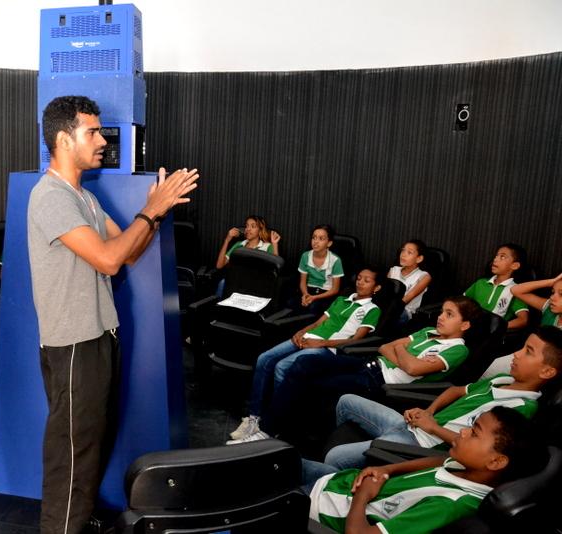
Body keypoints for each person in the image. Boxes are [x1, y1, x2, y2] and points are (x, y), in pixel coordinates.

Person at [28, 95, 198, 534]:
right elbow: (107, 259)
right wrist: (151, 209)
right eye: (92, 132)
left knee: (92, 444)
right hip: (72, 343)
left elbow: (128, 251)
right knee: (71, 453)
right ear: (64, 140)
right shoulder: (50, 197)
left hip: (100, 334)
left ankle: (77, 520)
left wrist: (156, 214)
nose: (103, 140)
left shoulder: (83, 196)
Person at [312, 326, 561, 474]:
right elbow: (455, 391)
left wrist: (433, 428)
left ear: (547, 371)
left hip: (422, 444)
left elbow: (481, 452)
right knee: (346, 400)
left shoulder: (521, 409)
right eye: (522, 347)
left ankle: (339, 485)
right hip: (416, 425)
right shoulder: (503, 379)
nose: (516, 354)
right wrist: (428, 412)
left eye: (528, 352)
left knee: (335, 457)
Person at [256, 296, 481, 443]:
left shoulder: (458, 350)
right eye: (442, 311)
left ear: (465, 325)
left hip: (379, 382)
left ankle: (267, 431)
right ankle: (272, 427)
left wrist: (401, 350)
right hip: (368, 363)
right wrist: (402, 353)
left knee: (311, 383)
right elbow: (385, 347)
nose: (440, 317)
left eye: (449, 314)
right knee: (304, 363)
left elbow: (412, 368)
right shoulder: (428, 331)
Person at [307, 407, 535, 533]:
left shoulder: (449, 505)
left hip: (321, 511)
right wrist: (387, 469)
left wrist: (363, 493)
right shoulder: (467, 469)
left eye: (474, 433)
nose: (463, 432)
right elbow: (439, 461)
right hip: (337, 484)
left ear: (496, 462)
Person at [229, 267, 383, 444]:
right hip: (308, 338)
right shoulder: (341, 299)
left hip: (327, 348)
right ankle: (254, 418)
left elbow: (355, 340)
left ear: (376, 287)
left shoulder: (372, 310)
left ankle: (277, 424)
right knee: (264, 358)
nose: (360, 282)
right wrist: (301, 332)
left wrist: (321, 343)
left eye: (367, 280)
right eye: (359, 278)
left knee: (282, 367)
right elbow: (318, 323)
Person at [464, 243, 529, 330]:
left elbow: (523, 320)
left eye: (502, 257)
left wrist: (498, 327)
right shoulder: (480, 283)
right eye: (496, 256)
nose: (495, 259)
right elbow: (461, 303)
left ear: (514, 265)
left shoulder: (516, 290)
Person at [298, 224, 344, 314]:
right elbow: (302, 282)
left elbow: (335, 289)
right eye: (314, 238)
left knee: (314, 308)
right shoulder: (305, 256)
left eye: (321, 239)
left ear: (329, 243)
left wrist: (314, 297)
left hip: (326, 293)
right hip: (309, 290)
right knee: (292, 303)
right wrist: (305, 295)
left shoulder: (335, 260)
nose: (315, 241)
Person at [387, 239, 431, 323]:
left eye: (409, 252)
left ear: (419, 259)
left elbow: (406, 299)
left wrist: (386, 309)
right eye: (403, 250)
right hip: (386, 306)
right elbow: (384, 292)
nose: (403, 255)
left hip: (403, 310)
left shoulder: (424, 276)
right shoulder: (393, 270)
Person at [215, 215, 280, 269]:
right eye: (247, 226)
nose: (248, 229)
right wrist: (227, 240)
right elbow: (219, 265)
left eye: (253, 226)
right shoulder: (238, 245)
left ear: (260, 231)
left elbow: (275, 270)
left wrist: (275, 244)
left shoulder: (267, 246)